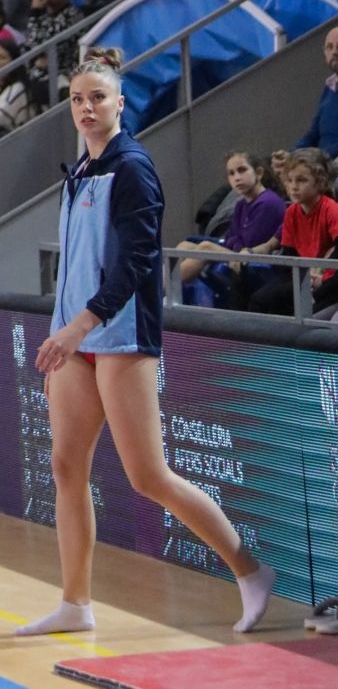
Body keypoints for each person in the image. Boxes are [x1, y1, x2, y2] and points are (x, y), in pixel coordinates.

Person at [17, 51, 273, 640]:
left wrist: (80, 325)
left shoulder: (134, 167)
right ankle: (75, 603)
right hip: (75, 337)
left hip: (119, 334)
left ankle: (251, 571)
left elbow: (136, 264)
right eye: (78, 99)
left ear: (120, 103)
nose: (86, 108)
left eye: (97, 98)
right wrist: (65, 328)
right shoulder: (81, 168)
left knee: (148, 476)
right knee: (65, 465)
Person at [173, 150, 286, 304]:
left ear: (259, 173)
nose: (237, 178)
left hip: (258, 263)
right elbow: (231, 238)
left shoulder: (268, 202)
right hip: (238, 254)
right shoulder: (241, 204)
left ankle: (161, 292)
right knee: (184, 246)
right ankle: (172, 295)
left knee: (206, 247)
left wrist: (235, 242)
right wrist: (235, 241)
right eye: (231, 174)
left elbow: (249, 244)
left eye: (242, 170)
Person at [246, 149, 338, 315]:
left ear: (320, 182)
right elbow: (289, 254)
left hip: (329, 278)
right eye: (289, 180)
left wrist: (321, 275)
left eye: (301, 180)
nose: (294, 187)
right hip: (303, 275)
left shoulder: (332, 210)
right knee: (260, 299)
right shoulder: (291, 212)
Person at [24, 0, 83, 96]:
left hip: (63, 74)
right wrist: (35, 14)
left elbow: (54, 49)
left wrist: (35, 15)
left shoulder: (73, 15)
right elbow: (28, 50)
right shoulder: (40, 17)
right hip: (38, 77)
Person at [293, 22, 338, 158]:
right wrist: (291, 155)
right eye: (329, 47)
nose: (334, 52)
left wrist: (317, 158)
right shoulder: (330, 87)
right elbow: (313, 133)